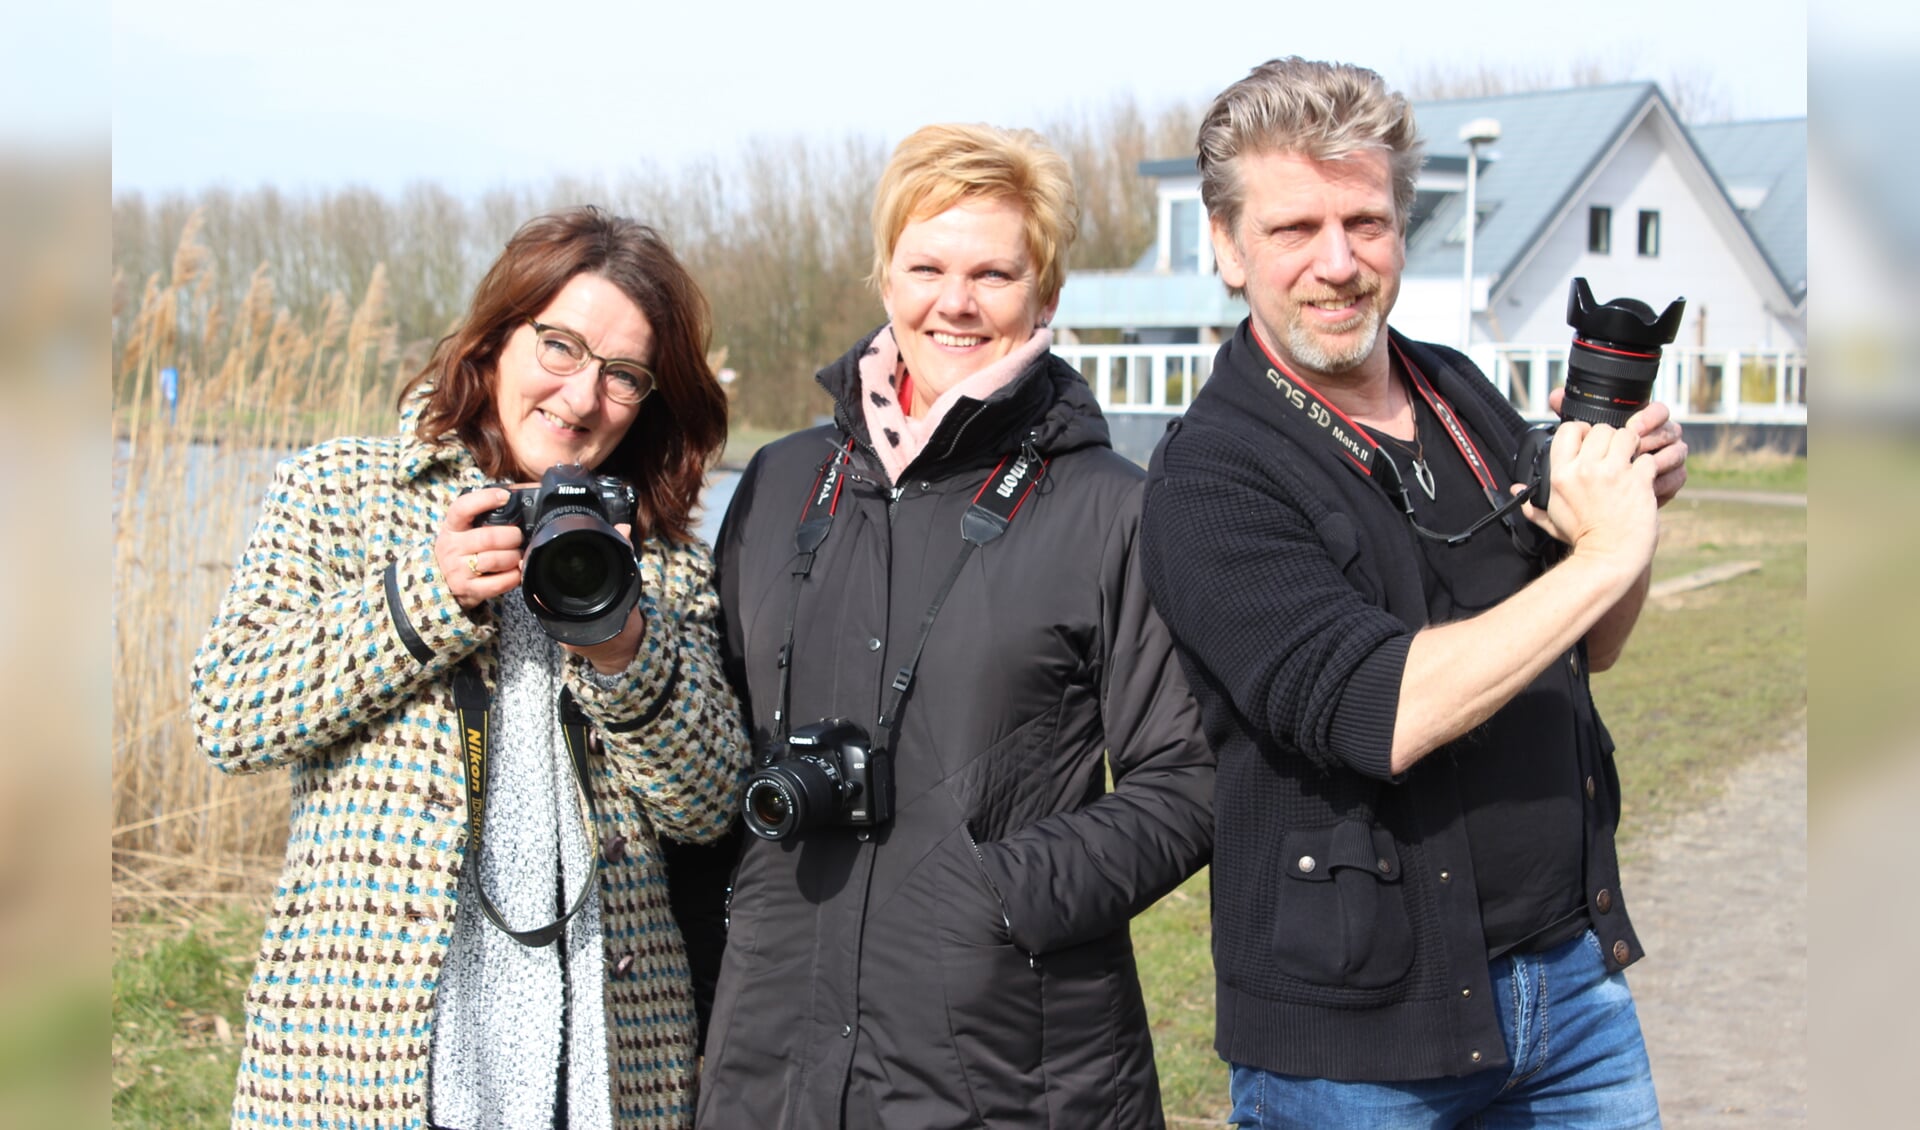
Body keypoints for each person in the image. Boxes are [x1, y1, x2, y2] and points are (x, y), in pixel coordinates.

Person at [1138, 59, 1689, 1129]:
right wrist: (1604, 556)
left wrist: (1624, 514)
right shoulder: (1207, 477)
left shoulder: (1460, 391)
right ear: (1225, 244)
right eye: (1295, 228)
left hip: (1569, 988)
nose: (1338, 263)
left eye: (1367, 222)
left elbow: (1592, 644)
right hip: (1358, 1046)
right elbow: (1379, 711)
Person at [694, 123, 1214, 1130]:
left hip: (1009, 1061)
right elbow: (710, 754)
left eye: (993, 272)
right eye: (926, 265)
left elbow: (1189, 779)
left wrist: (999, 893)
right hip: (775, 1053)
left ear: (1044, 294)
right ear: (886, 278)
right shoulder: (783, 483)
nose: (956, 301)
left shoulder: (1111, 507)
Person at [191, 207, 749, 1130]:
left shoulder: (658, 562)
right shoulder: (345, 494)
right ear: (494, 340)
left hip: (602, 1061)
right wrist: (419, 602)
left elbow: (707, 803)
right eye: (561, 347)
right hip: (369, 1052)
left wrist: (627, 654)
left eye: (624, 375)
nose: (581, 397)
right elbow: (229, 713)